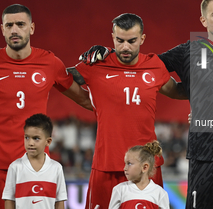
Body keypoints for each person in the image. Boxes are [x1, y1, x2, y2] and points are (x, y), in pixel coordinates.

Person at [78, 0, 213, 209]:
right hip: (204, 154)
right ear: (204, 20)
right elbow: (140, 65)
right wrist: (109, 53)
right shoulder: (187, 52)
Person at [68, 13, 186, 209]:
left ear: (142, 39)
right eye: (119, 41)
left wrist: (207, 85)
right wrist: (89, 102)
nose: (125, 47)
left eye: (131, 41)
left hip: (147, 166)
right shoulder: (97, 64)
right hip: (106, 163)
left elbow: (176, 92)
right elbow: (63, 78)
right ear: (112, 37)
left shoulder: (154, 65)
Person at [0, 4, 92, 209]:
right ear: (3, 29)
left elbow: (85, 99)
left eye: (20, 24)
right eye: (9, 25)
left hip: (37, 169)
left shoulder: (50, 63)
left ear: (31, 28)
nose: (15, 30)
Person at [2, 113, 67, 209]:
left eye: (36, 138)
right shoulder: (15, 167)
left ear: (48, 141)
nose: (30, 143)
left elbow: (59, 202)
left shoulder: (56, 168)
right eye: (27, 137)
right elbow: (9, 200)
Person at [109, 140, 170, 209]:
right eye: (125, 163)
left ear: (144, 167)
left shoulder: (160, 193)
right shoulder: (119, 189)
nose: (124, 168)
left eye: (129, 163)